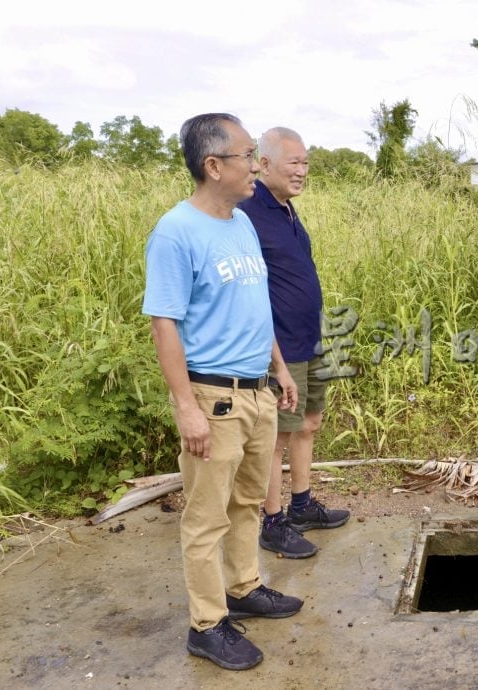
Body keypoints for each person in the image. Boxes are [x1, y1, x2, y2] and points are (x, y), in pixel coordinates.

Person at [143, 113, 303, 670]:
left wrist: (279, 368)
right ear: (213, 166)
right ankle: (207, 624)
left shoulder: (240, 224)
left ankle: (245, 587)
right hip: (214, 398)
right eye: (248, 155)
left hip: (257, 389)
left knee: (248, 503)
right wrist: (186, 407)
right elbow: (164, 324)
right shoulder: (176, 232)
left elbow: (255, 309)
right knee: (206, 516)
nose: (257, 165)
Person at [237, 127, 350, 560]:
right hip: (278, 347)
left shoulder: (286, 210)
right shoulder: (248, 211)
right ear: (264, 164)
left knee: (308, 424)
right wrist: (274, 356)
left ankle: (302, 506)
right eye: (294, 163)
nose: (302, 171)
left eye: (306, 163)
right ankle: (272, 521)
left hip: (310, 338)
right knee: (276, 439)